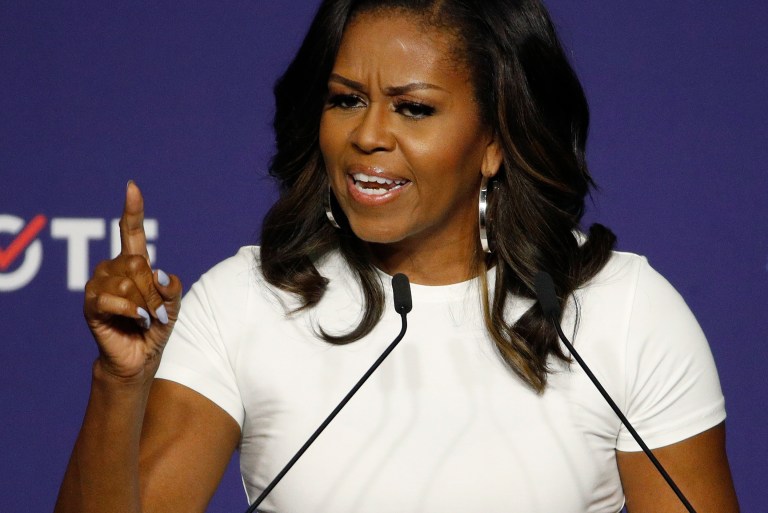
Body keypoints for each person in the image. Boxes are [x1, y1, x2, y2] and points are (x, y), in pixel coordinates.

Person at [54, 0, 740, 512]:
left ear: (496, 140)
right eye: (345, 100)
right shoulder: (247, 301)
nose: (368, 135)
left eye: (412, 109)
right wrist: (119, 385)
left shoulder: (622, 313)